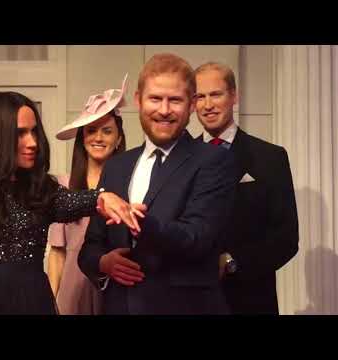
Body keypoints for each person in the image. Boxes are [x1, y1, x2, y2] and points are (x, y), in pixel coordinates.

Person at [0, 91, 143, 315]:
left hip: (31, 303)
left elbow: (73, 201)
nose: (33, 142)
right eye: (21, 133)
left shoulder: (39, 188)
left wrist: (102, 197)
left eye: (34, 132)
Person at [78, 53, 238, 314]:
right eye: (155, 99)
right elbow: (90, 247)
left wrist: (140, 222)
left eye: (174, 100)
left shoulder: (214, 160)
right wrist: (103, 262)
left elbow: (197, 237)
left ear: (191, 105)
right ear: (139, 100)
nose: (164, 110)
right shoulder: (117, 166)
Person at [194, 61, 299, 314]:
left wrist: (232, 262)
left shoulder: (269, 157)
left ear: (234, 96)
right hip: (193, 301)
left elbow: (286, 238)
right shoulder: (182, 158)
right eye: (200, 96)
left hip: (251, 301)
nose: (208, 105)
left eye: (216, 94)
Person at [47, 75, 128, 315]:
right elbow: (57, 252)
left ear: (119, 138)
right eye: (91, 130)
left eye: (106, 131)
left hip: (116, 286)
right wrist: (51, 302)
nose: (98, 138)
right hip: (72, 291)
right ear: (82, 138)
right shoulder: (63, 185)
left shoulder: (129, 184)